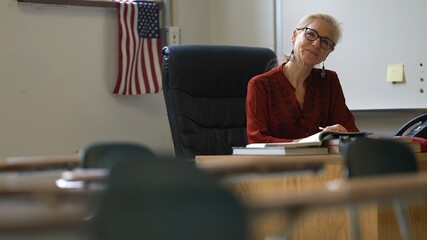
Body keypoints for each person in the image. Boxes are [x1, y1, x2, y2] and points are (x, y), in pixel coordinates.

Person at [246, 12, 359, 144]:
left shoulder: (329, 82)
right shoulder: (260, 85)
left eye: (325, 42)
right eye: (311, 34)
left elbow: (350, 131)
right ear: (294, 35)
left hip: (321, 163)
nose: (316, 44)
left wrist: (343, 135)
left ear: (328, 52)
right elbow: (257, 140)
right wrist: (303, 143)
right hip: (276, 164)